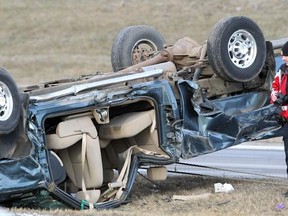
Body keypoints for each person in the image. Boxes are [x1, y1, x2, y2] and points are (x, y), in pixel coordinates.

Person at [270, 41, 288, 181]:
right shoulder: (282, 70)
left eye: (286, 55)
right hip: (285, 121)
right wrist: (275, 97)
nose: (283, 58)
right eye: (282, 55)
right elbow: (274, 86)